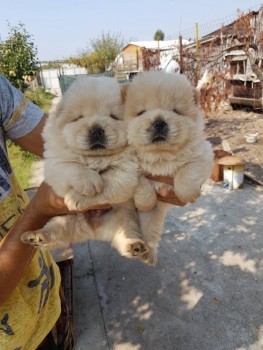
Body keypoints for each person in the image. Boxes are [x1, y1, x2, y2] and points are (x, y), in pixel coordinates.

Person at [0, 74, 185, 350]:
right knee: (64, 223)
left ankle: (129, 242)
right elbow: (57, 162)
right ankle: (50, 233)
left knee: (122, 221)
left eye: (113, 116)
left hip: (45, 301)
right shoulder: (65, 147)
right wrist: (39, 210)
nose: (97, 128)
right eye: (79, 119)